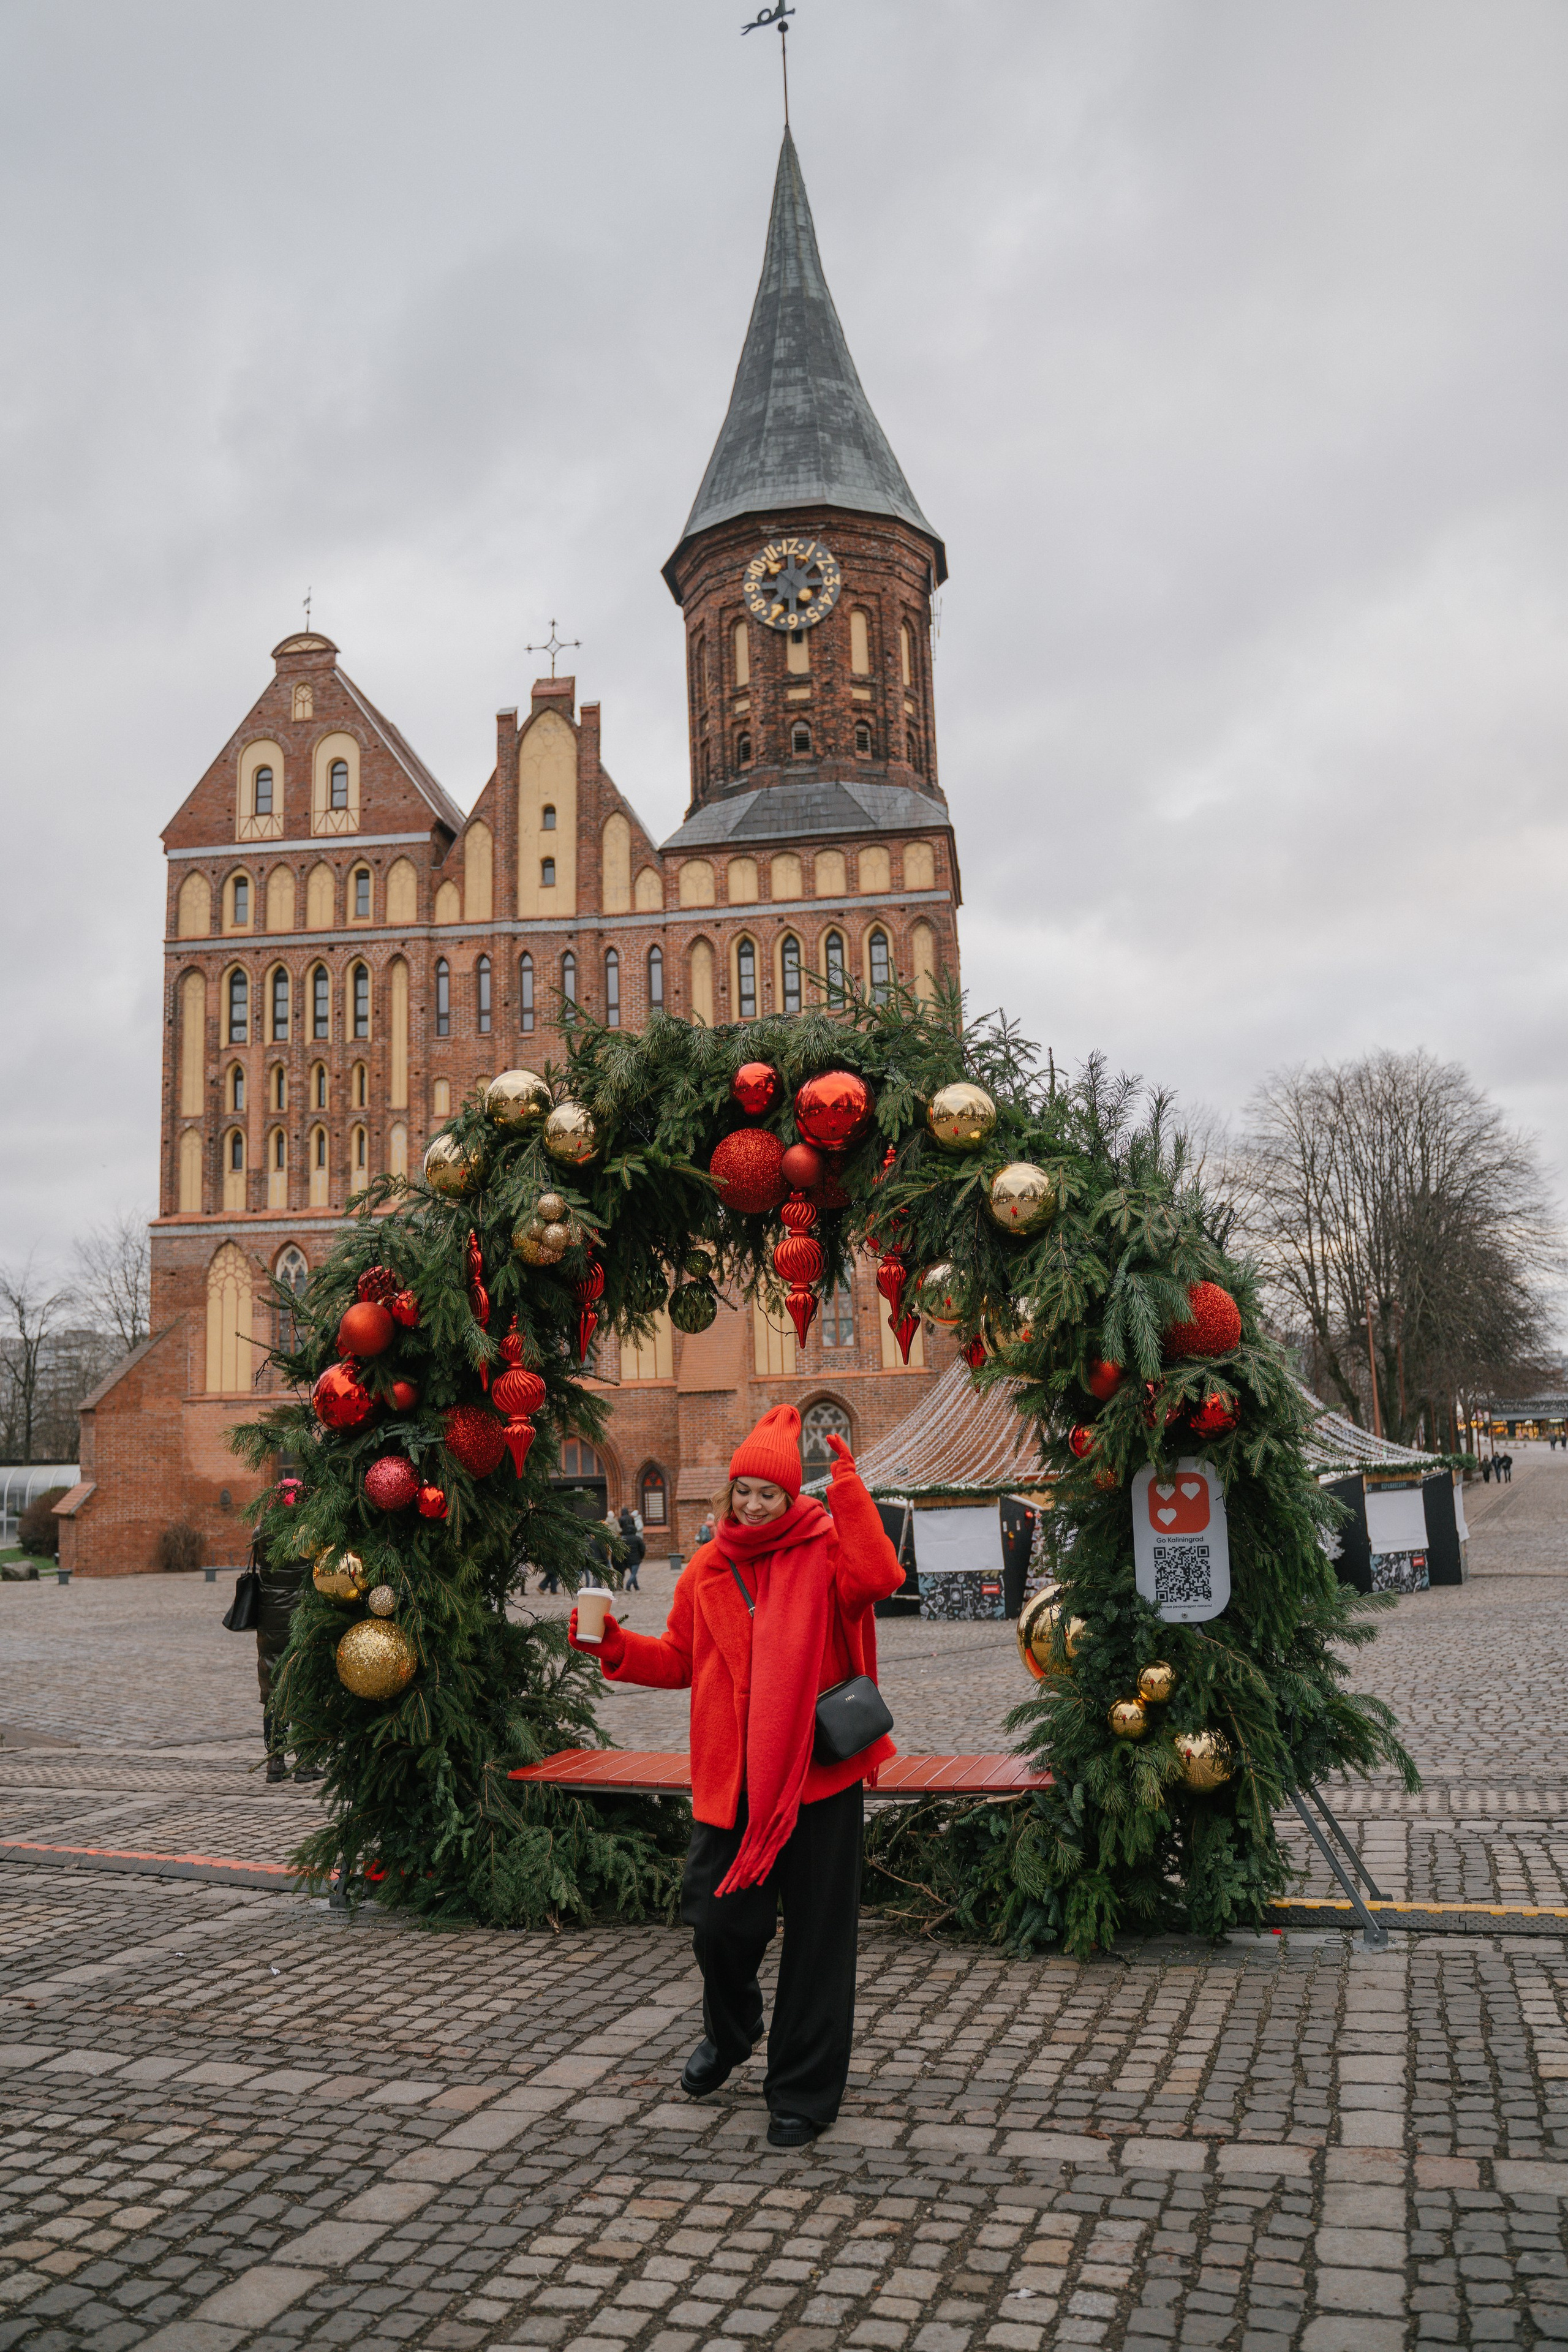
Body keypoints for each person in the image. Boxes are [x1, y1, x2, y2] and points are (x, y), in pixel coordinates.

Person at [568, 1403, 902, 2150]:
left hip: (816, 1778)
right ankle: (733, 2029)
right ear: (728, 1494)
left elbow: (879, 1576)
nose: (753, 1505)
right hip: (734, 1784)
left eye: (769, 1493)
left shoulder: (823, 1552)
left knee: (819, 1943)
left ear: (792, 1498)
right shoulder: (707, 1568)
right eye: (743, 1490)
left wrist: (846, 1486)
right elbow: (682, 1660)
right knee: (716, 1923)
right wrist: (615, 1646)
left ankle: (802, 2095)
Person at [255, 1481, 322, 1784]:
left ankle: (275, 1763)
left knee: (274, 1690)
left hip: (269, 1621)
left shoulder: (261, 1535)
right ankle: (306, 1764)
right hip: (301, 1618)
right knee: (306, 1688)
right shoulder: (308, 1534)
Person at [618, 1504, 646, 1592]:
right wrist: (641, 1557)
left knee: (633, 1572)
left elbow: (620, 1527)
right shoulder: (631, 1519)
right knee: (634, 1573)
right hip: (636, 1558)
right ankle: (629, 1585)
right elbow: (642, 1549)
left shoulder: (621, 1519)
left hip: (625, 1539)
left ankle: (636, 1587)